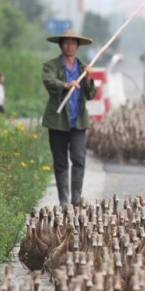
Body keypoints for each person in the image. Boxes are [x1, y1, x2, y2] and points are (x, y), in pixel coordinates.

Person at [41, 29, 96, 206]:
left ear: (78, 46)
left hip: (78, 122)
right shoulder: (51, 66)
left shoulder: (83, 68)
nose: (69, 46)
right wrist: (66, 85)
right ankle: (64, 202)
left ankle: (76, 199)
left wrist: (88, 79)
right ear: (61, 45)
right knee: (60, 162)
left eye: (73, 43)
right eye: (66, 42)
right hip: (58, 122)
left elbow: (91, 94)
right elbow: (49, 82)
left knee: (79, 159)